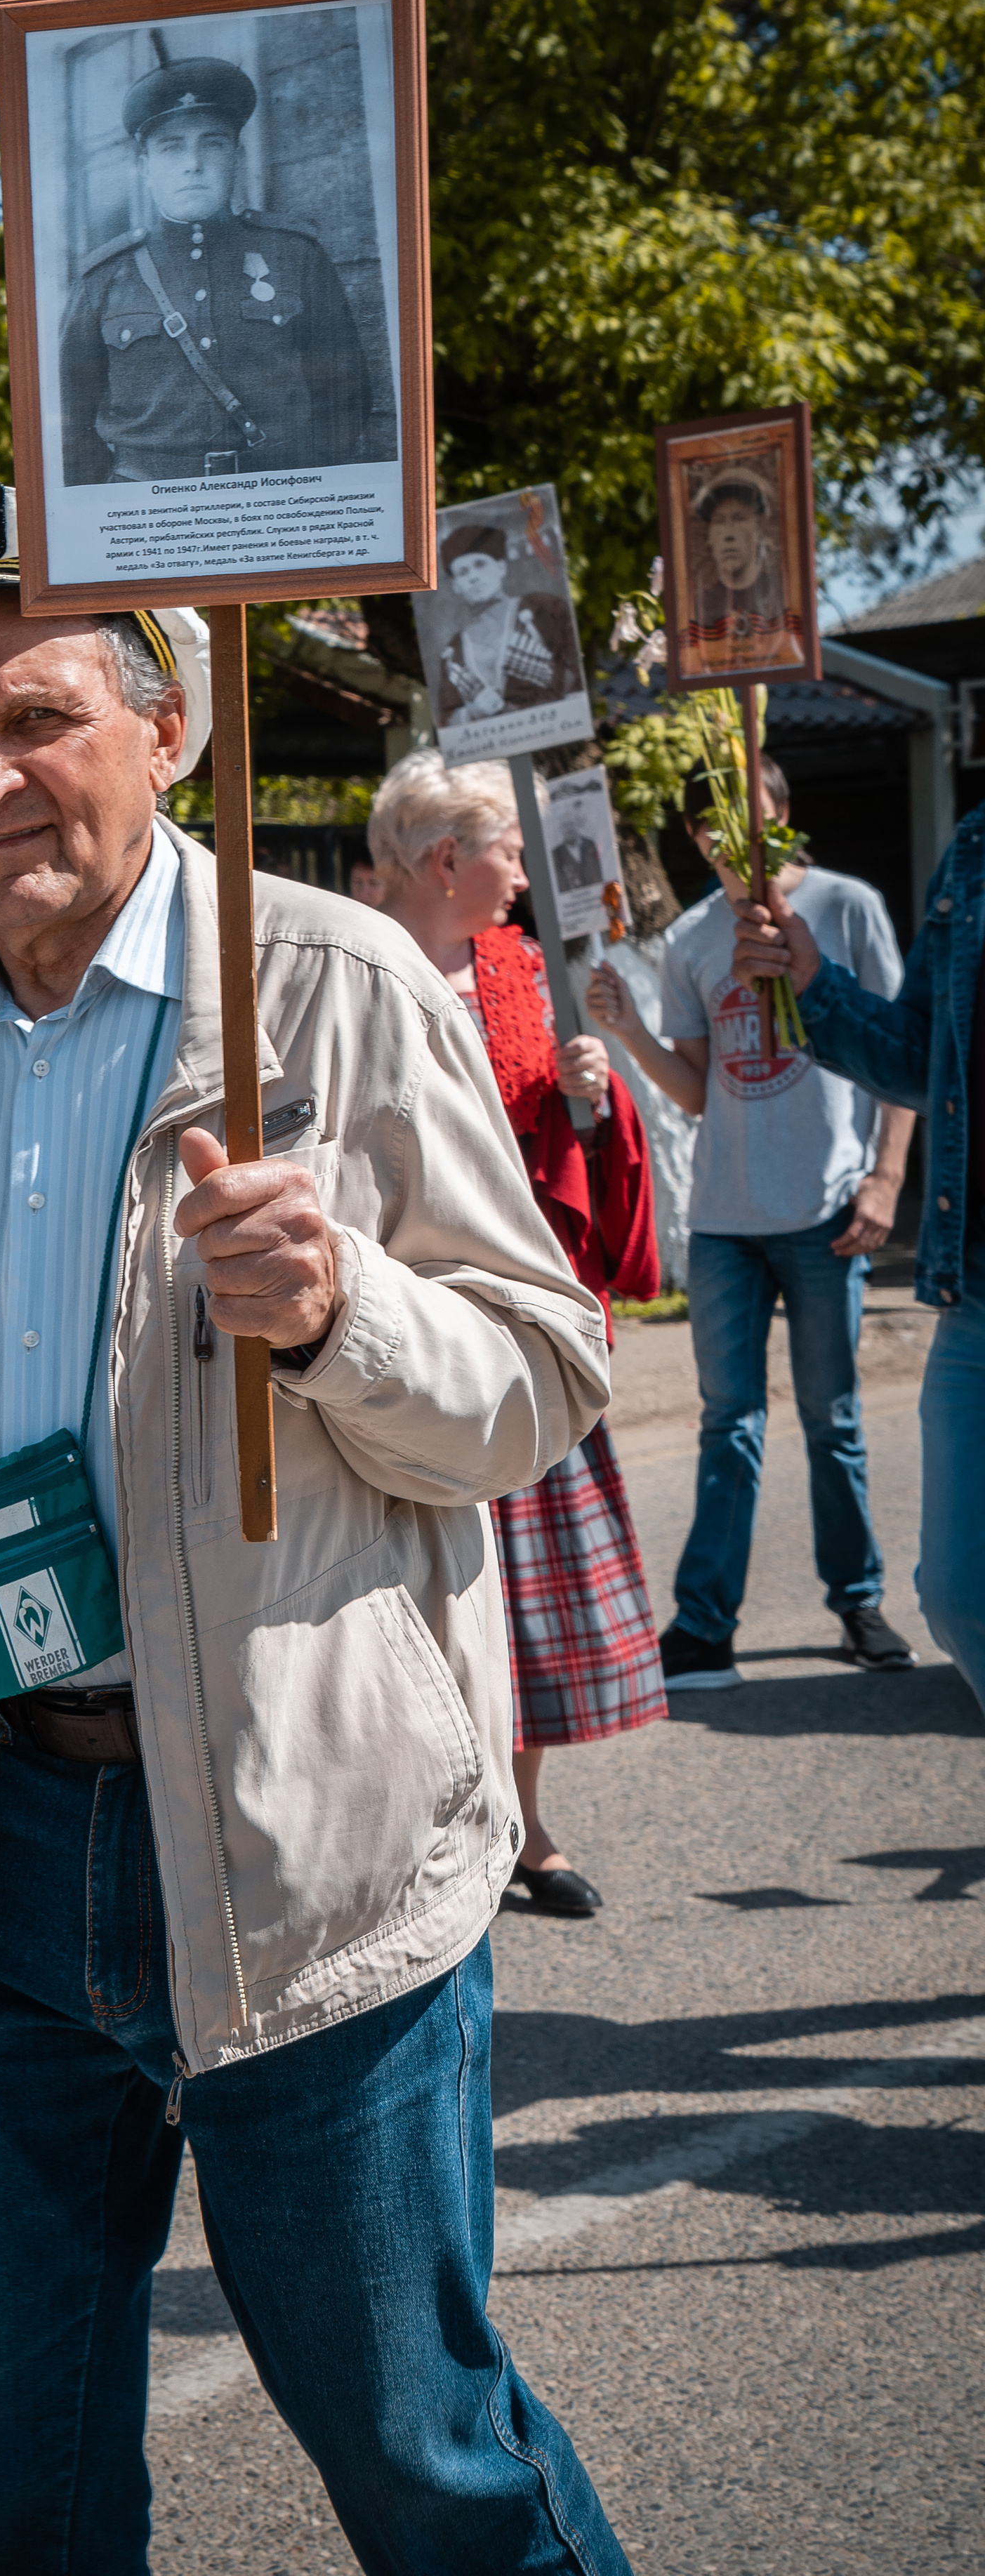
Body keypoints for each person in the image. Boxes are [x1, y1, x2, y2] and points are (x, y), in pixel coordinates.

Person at [0, 480, 631, 2575]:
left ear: (170, 725)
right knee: (19, 2490)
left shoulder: (323, 987)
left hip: (300, 1849)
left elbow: (539, 1379)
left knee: (429, 2464)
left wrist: (339, 1309)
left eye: (37, 716)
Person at [371, 751, 667, 1918]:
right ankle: (421, 1826)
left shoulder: (528, 973)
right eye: (505, 848)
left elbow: (585, 1152)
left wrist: (595, 1087)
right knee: (400, 1597)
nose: (521, 873)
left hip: (509, 1323)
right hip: (393, 1319)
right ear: (449, 857)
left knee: (524, 1598)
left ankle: (523, 1829)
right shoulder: (350, 959)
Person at [587, 755, 918, 1689]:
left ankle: (857, 1601)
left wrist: (886, 1177)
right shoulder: (693, 937)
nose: (733, 843)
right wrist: (631, 1034)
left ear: (783, 815)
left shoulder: (845, 907)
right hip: (729, 1219)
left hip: (824, 1208)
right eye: (712, 831)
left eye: (753, 821)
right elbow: (700, 1093)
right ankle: (703, 1626)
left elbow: (900, 1053)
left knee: (833, 1418)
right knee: (726, 1422)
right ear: (697, 840)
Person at [730, 801, 985, 1712]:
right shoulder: (973, 848)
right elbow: (927, 1058)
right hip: (977, 1293)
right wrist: (814, 983)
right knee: (960, 1599)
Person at [58, 57, 373, 483]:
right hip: (148, 511)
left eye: (213, 143)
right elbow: (71, 424)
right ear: (145, 167)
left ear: (237, 157)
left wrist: (304, 489)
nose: (194, 163)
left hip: (276, 500)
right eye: (171, 147)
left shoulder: (296, 257)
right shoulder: (103, 280)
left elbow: (346, 396)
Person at [433, 524, 583, 732]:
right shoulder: (454, 651)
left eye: (480, 564)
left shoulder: (542, 608)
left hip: (553, 731)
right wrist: (475, 711)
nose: (474, 577)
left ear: (501, 568)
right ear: (457, 586)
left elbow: (574, 671)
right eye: (463, 572)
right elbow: (447, 718)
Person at [684, 466, 805, 676]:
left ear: (759, 528)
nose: (728, 535)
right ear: (710, 538)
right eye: (719, 522)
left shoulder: (784, 598)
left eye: (739, 518)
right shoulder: (698, 608)